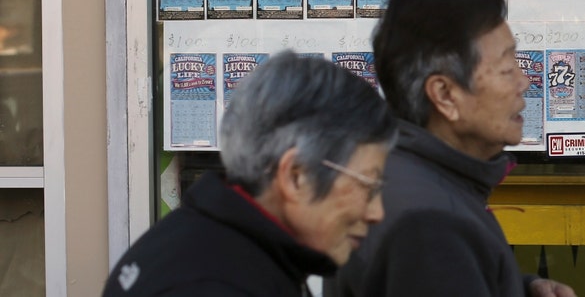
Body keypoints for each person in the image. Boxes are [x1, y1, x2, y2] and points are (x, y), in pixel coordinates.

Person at [337, 0, 577, 297]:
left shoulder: (408, 179)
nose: (525, 81)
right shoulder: (429, 229)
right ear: (445, 95)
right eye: (507, 69)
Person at [102, 50, 398, 297]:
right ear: (296, 176)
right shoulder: (215, 282)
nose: (376, 212)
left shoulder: (212, 244)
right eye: (367, 185)